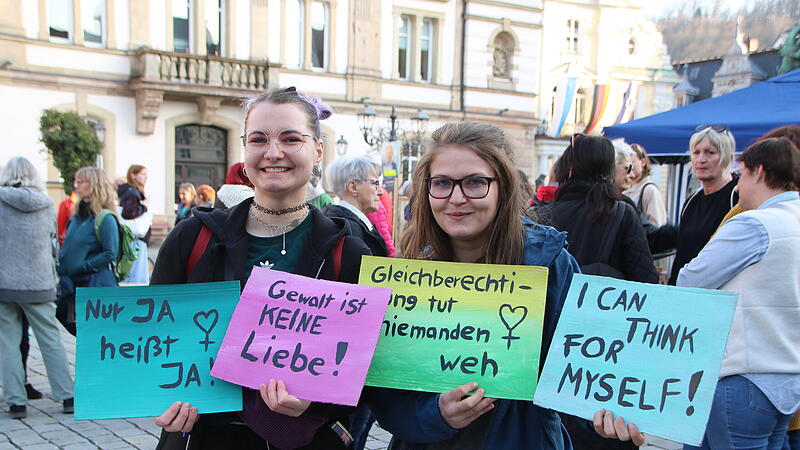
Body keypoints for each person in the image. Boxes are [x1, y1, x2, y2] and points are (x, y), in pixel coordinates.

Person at [151, 86, 371, 449]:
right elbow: (153, 341)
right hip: (205, 439)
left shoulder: (349, 253)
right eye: (258, 139)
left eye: (290, 139)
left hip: (300, 441)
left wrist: (314, 401)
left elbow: (364, 373)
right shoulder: (193, 238)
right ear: (245, 150)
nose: (273, 152)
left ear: (317, 150)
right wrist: (157, 399)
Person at [364, 121, 582, 449]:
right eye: (442, 183)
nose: (457, 198)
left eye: (475, 182)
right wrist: (435, 415)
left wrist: (612, 424)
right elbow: (385, 394)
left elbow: (582, 375)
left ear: (503, 187)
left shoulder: (550, 265)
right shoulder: (410, 274)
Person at [675, 137, 800, 449]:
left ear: (758, 172)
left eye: (741, 173)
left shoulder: (755, 225)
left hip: (745, 375)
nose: (737, 183)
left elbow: (691, 279)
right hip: (786, 378)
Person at [0, 157, 74, 419]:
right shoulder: (46, 203)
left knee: (8, 342)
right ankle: (67, 395)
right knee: (50, 339)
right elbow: (52, 242)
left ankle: (16, 401)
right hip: (40, 281)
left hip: (5, 282)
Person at [539, 134, 658, 284]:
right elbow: (645, 279)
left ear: (569, 167)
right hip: (606, 303)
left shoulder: (543, 215)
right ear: (609, 168)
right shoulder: (622, 213)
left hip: (555, 305)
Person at [668, 125, 738, 285]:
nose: (701, 159)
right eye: (696, 152)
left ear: (728, 157)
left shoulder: (736, 197)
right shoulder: (692, 201)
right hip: (685, 294)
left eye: (710, 152)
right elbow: (682, 254)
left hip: (719, 296)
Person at [56, 167, 120, 336]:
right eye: (76, 181)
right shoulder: (77, 217)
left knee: (96, 335)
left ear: (94, 184)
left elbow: (110, 253)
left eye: (81, 181)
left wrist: (83, 267)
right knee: (77, 329)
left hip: (94, 285)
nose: (76, 185)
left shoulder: (105, 218)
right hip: (72, 285)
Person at [323, 156, 388, 258]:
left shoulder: (344, 224)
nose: (380, 191)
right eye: (375, 183)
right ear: (353, 187)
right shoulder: (348, 230)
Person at [118, 165, 151, 284]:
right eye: (143, 174)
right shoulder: (131, 192)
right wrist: (144, 206)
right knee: (135, 278)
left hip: (135, 238)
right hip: (134, 239)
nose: (146, 177)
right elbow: (129, 212)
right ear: (133, 175)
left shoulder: (133, 191)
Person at [625, 143, 667, 226]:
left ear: (643, 162)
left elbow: (657, 226)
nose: (629, 166)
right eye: (627, 163)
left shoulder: (649, 190)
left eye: (632, 162)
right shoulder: (625, 189)